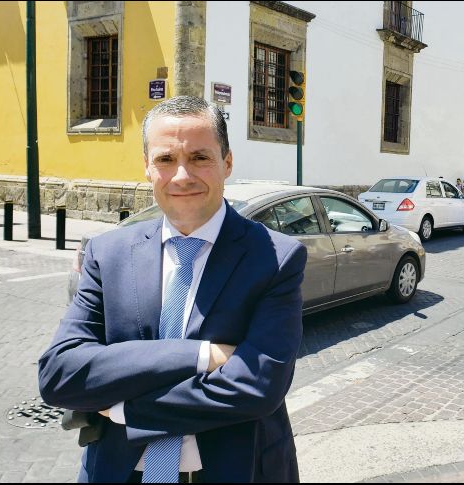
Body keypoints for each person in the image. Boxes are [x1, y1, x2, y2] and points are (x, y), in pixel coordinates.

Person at [38, 96, 307, 483]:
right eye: (165, 159)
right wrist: (201, 356)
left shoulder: (276, 258)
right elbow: (60, 374)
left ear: (226, 163)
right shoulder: (106, 253)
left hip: (235, 469)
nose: (182, 175)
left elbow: (257, 387)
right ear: (147, 166)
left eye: (200, 157)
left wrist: (124, 409)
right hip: (117, 470)